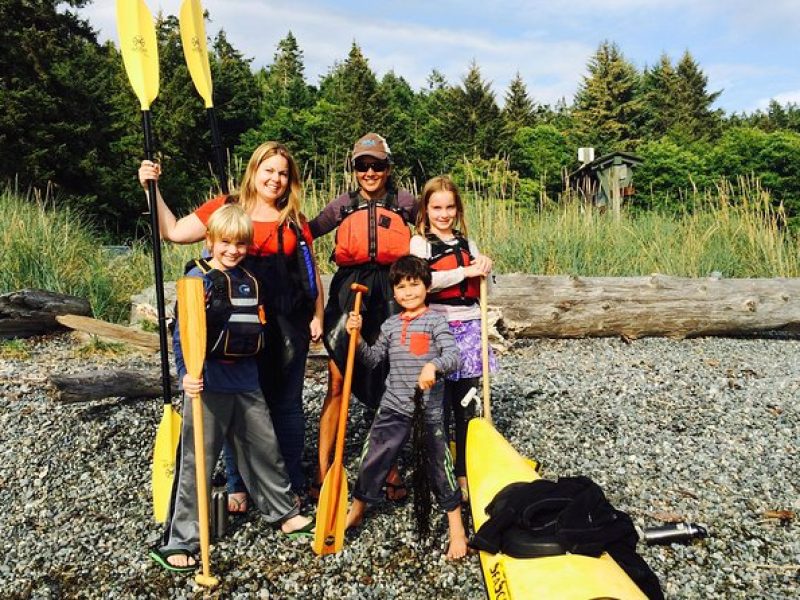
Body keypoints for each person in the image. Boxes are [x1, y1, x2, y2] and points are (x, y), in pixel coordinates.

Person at [138, 141, 323, 510]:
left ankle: (289, 483)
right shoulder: (225, 207)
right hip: (235, 322)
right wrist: (151, 190)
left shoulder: (294, 219)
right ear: (254, 170)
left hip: (286, 324)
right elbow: (173, 232)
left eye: (283, 173)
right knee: (234, 403)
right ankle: (238, 484)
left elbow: (311, 272)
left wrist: (317, 315)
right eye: (269, 170)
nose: (276, 179)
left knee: (285, 406)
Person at [149, 204, 313, 572]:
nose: (233, 250)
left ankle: (283, 512)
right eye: (225, 243)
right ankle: (182, 539)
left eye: (240, 244)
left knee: (264, 450)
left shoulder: (248, 280)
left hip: (246, 379)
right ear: (210, 241)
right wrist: (185, 374)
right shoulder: (198, 278)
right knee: (197, 461)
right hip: (206, 382)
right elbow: (182, 335)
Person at [308, 133, 417, 501]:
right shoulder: (341, 205)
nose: (370, 172)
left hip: (390, 292)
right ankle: (323, 472)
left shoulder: (405, 203)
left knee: (389, 380)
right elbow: (304, 234)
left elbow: (440, 223)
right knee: (337, 383)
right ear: (354, 169)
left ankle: (389, 466)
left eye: (377, 165)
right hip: (347, 291)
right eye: (362, 166)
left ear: (388, 167)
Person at [343, 255, 468, 559]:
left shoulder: (436, 321)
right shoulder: (389, 324)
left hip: (428, 411)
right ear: (394, 292)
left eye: (414, 285)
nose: (408, 292)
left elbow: (454, 357)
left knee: (440, 467)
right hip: (393, 406)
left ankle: (456, 530)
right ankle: (356, 510)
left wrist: (433, 366)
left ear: (426, 286)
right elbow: (372, 359)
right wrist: (356, 336)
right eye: (401, 287)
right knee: (373, 457)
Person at [409, 175, 496, 502]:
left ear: (457, 209)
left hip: (470, 327)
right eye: (436, 208)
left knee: (467, 406)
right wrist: (465, 272)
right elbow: (421, 282)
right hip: (438, 331)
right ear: (426, 209)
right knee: (437, 409)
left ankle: (464, 472)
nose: (444, 214)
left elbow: (484, 286)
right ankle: (439, 473)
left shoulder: (467, 243)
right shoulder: (420, 244)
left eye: (449, 207)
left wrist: (485, 267)